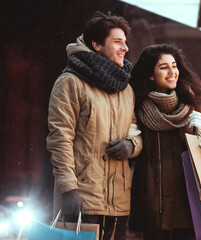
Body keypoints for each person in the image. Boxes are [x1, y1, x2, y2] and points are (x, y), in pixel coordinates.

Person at [46, 11, 142, 240]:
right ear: (97, 44)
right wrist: (69, 190)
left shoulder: (126, 89)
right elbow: (60, 138)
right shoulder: (70, 82)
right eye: (117, 42)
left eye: (125, 42)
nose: (125, 48)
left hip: (118, 203)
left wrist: (131, 145)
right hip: (82, 200)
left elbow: (135, 130)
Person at [128, 44, 201, 240]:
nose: (172, 72)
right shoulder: (138, 107)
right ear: (151, 75)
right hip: (153, 207)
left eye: (174, 66)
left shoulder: (194, 105)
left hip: (190, 207)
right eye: (163, 67)